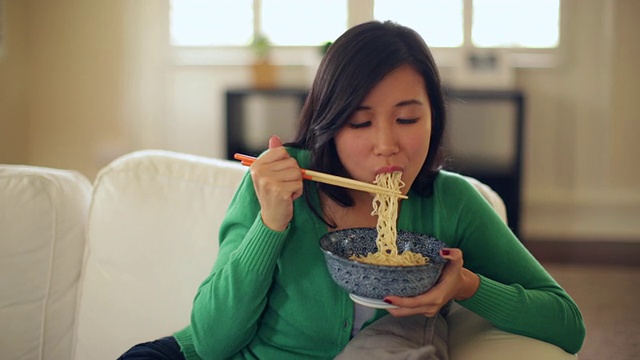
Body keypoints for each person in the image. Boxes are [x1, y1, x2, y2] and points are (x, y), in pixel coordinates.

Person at [119, 20, 585, 360]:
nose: (387, 145)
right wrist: (271, 223)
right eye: (360, 122)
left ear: (434, 118)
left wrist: (464, 286)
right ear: (330, 126)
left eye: (407, 119)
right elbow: (211, 341)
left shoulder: (450, 202)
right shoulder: (282, 181)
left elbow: (567, 324)